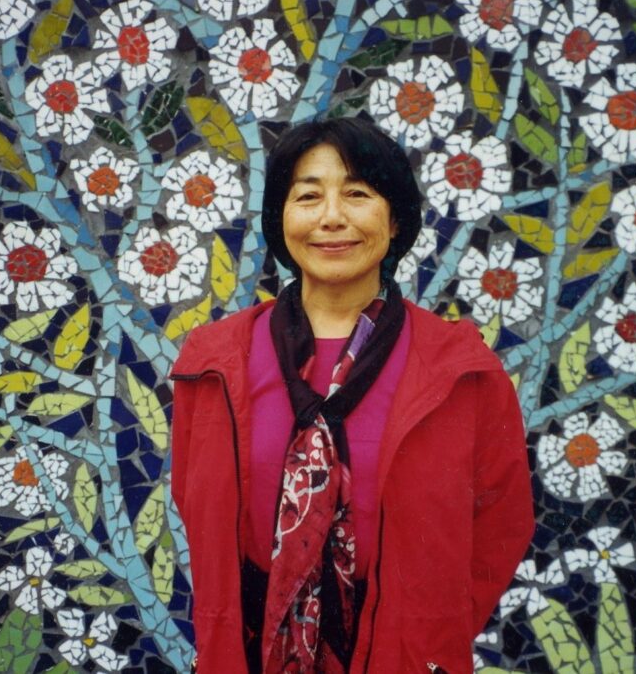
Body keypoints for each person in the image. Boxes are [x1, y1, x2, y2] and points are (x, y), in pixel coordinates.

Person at [170, 116, 535, 674]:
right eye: (308, 196)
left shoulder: (461, 372)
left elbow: (501, 525)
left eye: (358, 194)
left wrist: (424, 633)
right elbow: (195, 506)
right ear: (280, 218)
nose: (332, 217)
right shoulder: (216, 363)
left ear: (395, 219)